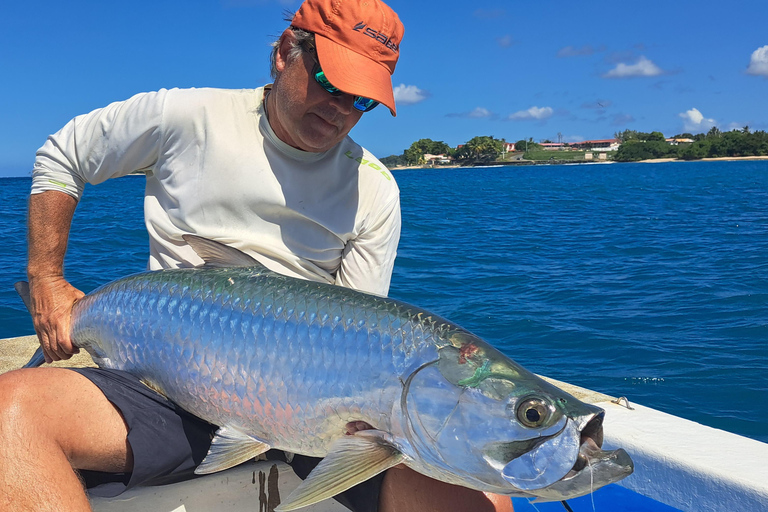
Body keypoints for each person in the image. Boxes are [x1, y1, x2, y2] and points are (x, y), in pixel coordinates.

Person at [0, 1, 513, 511]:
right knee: (9, 413)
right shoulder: (186, 116)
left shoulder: (374, 190)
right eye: (331, 83)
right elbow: (62, 156)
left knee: (488, 498)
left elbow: (359, 335)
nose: (340, 109)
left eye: (362, 101)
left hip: (314, 416)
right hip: (166, 386)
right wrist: (46, 277)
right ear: (286, 52)